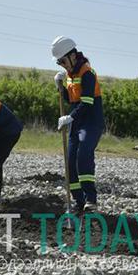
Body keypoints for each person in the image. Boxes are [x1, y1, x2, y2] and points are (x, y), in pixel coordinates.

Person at [52, 36, 105, 214]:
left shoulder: (87, 73)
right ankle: (78, 202)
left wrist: (70, 117)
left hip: (91, 123)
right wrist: (61, 87)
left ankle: (91, 200)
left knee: (83, 156)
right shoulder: (69, 75)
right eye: (59, 63)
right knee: (70, 161)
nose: (62, 65)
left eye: (63, 61)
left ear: (73, 56)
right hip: (77, 122)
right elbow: (71, 99)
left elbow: (87, 102)